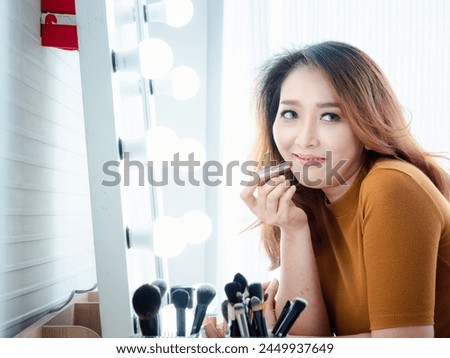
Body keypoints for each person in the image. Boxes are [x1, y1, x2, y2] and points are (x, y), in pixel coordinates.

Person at [240, 41, 450, 338]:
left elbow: (404, 349)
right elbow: (306, 339)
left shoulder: (392, 187)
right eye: (290, 114)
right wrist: (293, 229)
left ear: (368, 125)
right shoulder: (309, 200)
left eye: (330, 116)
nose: (305, 139)